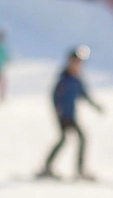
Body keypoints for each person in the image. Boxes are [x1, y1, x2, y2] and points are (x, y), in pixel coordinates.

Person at [36, 46, 102, 180]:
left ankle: (79, 170)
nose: (77, 66)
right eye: (75, 62)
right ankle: (47, 167)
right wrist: (58, 112)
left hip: (72, 116)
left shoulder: (77, 80)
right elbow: (55, 96)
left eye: (80, 63)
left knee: (81, 138)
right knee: (63, 139)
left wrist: (95, 106)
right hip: (63, 116)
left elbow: (84, 94)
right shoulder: (64, 79)